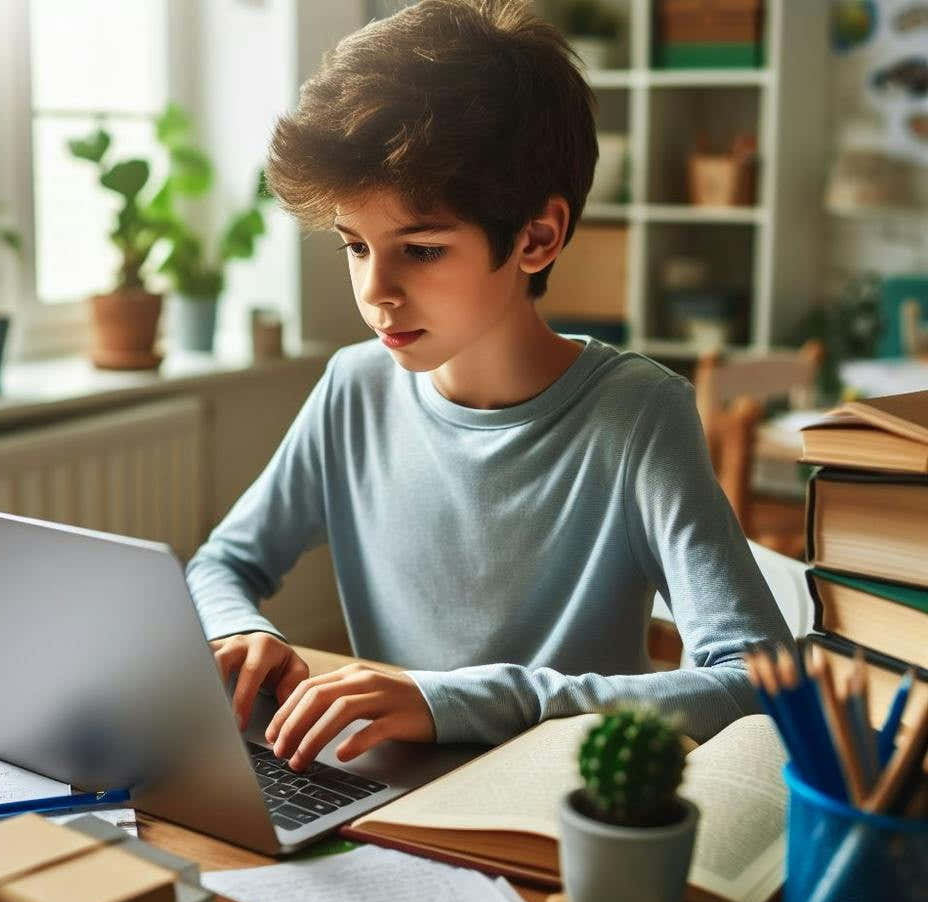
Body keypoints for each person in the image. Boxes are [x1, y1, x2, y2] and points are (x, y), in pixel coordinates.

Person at [185, 0, 792, 774]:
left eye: (424, 249)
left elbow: (760, 679)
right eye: (355, 245)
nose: (377, 292)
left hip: (552, 802)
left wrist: (461, 700)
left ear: (537, 237)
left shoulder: (637, 414)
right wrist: (246, 633)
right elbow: (221, 565)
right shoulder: (354, 389)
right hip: (389, 791)